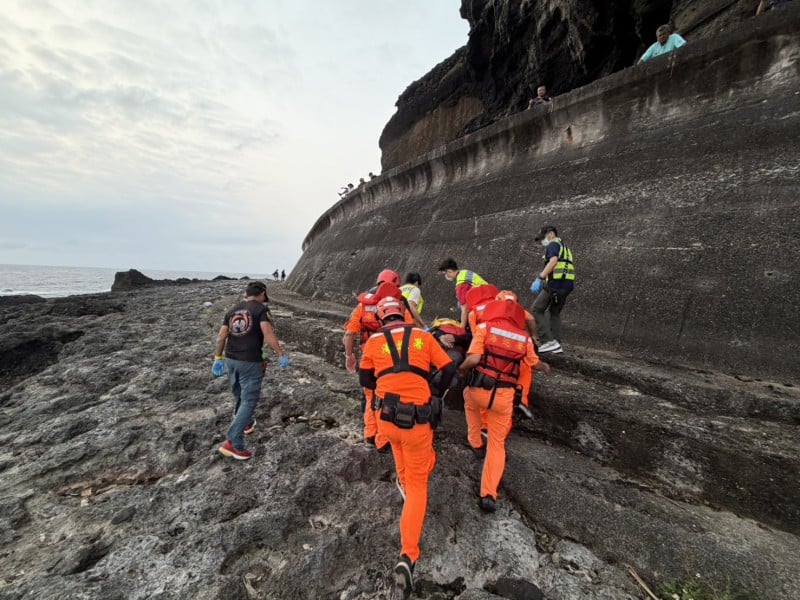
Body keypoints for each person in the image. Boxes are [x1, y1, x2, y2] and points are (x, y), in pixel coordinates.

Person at [359, 296, 454, 598]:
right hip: (417, 422)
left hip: (386, 420)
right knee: (418, 485)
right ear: (403, 314)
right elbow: (449, 367)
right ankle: (408, 555)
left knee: (400, 452)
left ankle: (406, 489)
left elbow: (365, 379)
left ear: (381, 318)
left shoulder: (373, 341)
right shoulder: (422, 337)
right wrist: (433, 389)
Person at [457, 299, 549, 512]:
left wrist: (461, 370)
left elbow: (473, 359)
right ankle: (488, 494)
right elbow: (534, 363)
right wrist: (545, 367)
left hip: (479, 389)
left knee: (469, 401)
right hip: (504, 396)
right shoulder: (524, 338)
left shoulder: (484, 328)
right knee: (497, 444)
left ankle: (475, 443)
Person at [212, 281, 290, 460]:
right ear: (262, 294)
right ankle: (234, 442)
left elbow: (221, 336)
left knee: (239, 394)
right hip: (250, 361)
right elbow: (267, 333)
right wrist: (280, 354)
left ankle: (246, 423)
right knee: (249, 400)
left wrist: (218, 357)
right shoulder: (261, 310)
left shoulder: (233, 310)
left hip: (231, 359)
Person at [343, 269, 412, 450]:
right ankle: (384, 437)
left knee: (369, 394)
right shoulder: (399, 304)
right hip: (392, 358)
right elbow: (410, 330)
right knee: (389, 395)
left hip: (368, 356)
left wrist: (349, 356)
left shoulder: (363, 305)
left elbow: (349, 334)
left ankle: (370, 433)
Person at [530, 226, 575, 354]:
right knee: (554, 313)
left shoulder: (553, 244)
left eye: (543, 238)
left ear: (550, 234)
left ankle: (548, 342)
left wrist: (540, 277)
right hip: (566, 286)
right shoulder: (564, 247)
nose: (542, 241)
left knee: (536, 309)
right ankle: (556, 344)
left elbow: (553, 261)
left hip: (555, 285)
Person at [438, 258, 489, 329]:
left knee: (460, 304)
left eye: (445, 274)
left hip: (484, 307)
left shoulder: (461, 284)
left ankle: (471, 323)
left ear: (449, 272)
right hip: (490, 296)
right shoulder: (464, 272)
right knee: (460, 301)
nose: (446, 276)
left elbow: (465, 309)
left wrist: (462, 327)